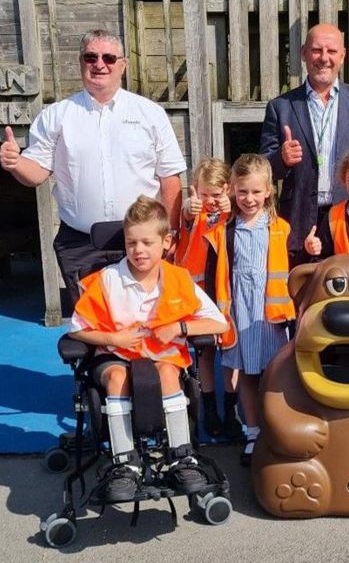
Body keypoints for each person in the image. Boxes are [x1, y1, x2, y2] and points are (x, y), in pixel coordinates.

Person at [0, 29, 186, 307]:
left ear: (122, 65)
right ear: (80, 62)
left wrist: (169, 235)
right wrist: (16, 164)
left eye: (109, 58)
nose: (100, 64)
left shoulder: (150, 113)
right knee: (93, 328)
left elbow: (170, 179)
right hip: (80, 244)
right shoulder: (56, 116)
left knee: (146, 323)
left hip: (141, 241)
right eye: (91, 57)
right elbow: (36, 173)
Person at [67, 196, 229, 503]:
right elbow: (76, 327)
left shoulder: (178, 279)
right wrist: (113, 339)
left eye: (146, 242)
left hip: (162, 355)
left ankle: (182, 458)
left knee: (168, 373)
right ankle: (125, 464)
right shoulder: (108, 279)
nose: (138, 250)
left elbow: (218, 324)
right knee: (118, 378)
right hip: (116, 354)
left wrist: (180, 328)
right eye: (131, 243)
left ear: (166, 242)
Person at [260, 23, 349, 267]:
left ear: (343, 55)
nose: (324, 58)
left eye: (331, 51)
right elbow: (264, 170)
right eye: (317, 50)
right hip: (298, 220)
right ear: (304, 53)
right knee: (303, 292)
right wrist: (281, 159)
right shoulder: (281, 106)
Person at [206, 154, 295, 467]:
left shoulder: (282, 229)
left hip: (271, 317)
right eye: (242, 191)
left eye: (256, 191)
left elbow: (293, 275)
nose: (249, 198)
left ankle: (276, 427)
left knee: (276, 374)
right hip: (239, 313)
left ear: (269, 190)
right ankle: (253, 431)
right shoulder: (224, 230)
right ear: (232, 190)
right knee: (245, 373)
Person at [174, 158, 242, 440]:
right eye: (205, 195)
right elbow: (186, 221)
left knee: (231, 354)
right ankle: (209, 408)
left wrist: (233, 206)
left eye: (217, 195)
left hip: (229, 295)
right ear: (195, 191)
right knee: (205, 353)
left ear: (228, 190)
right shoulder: (191, 214)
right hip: (200, 296)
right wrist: (190, 210)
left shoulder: (234, 214)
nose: (211, 201)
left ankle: (231, 407)